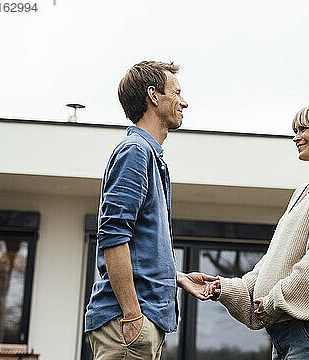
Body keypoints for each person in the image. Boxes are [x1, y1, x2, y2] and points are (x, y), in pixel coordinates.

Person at [205, 104, 309, 360]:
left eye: (304, 129)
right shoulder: (304, 193)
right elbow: (271, 266)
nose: (296, 137)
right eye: (295, 130)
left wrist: (274, 302)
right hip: (292, 335)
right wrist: (221, 288)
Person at [85, 61, 216, 360]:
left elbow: (139, 245)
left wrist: (175, 277)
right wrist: (132, 315)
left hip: (139, 323)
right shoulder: (135, 152)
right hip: (127, 324)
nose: (184, 102)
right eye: (177, 93)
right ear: (154, 96)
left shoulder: (150, 157)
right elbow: (113, 237)